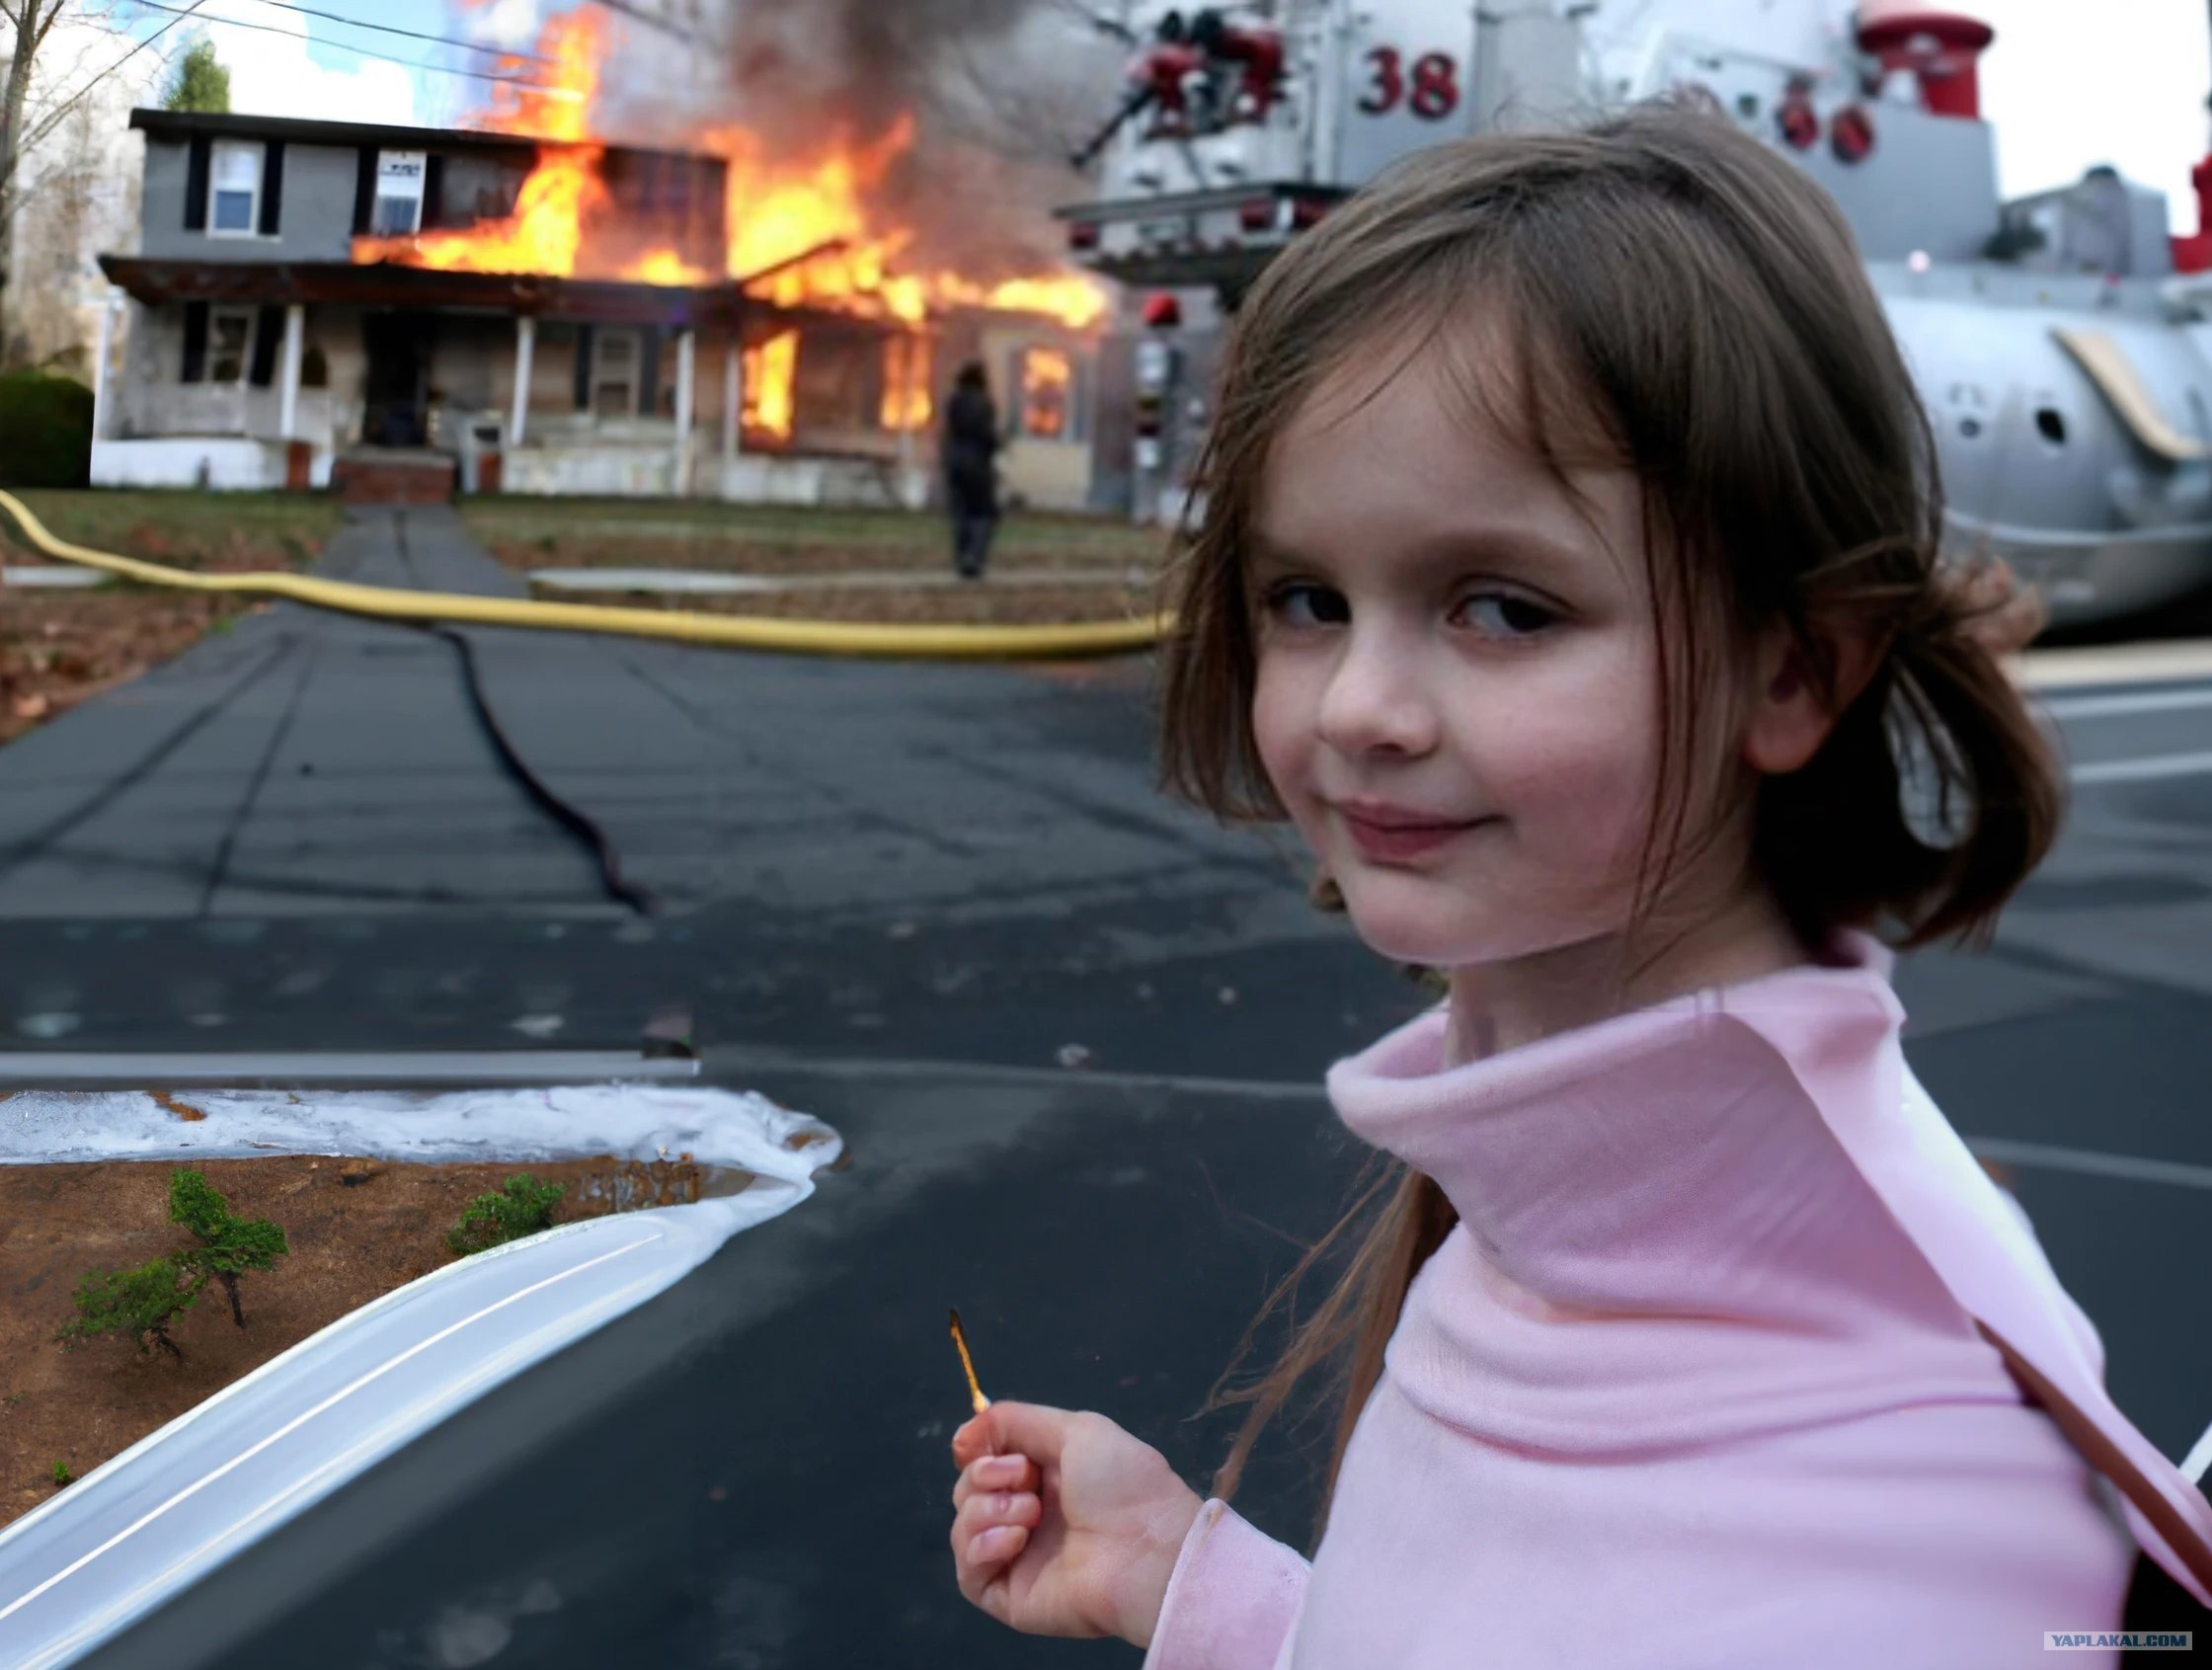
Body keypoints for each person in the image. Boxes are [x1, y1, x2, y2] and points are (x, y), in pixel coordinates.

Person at [946, 106, 2210, 1663]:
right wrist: (1192, 1586)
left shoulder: (1887, 1508)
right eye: (1309, 597)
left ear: (1793, 669)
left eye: (1503, 607)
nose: (1360, 707)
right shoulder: (1565, 1216)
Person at [942, 360, 1002, 581]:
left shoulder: (954, 402)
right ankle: (974, 557)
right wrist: (998, 443)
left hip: (955, 463)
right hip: (978, 465)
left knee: (961, 514)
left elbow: (950, 432)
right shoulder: (984, 403)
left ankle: (962, 558)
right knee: (984, 514)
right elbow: (986, 435)